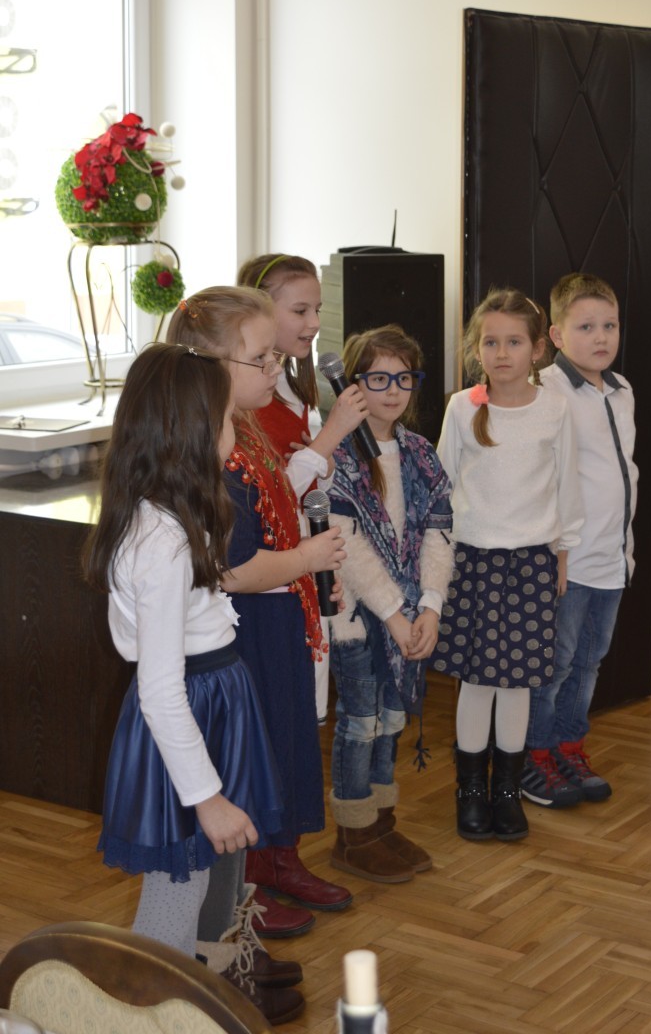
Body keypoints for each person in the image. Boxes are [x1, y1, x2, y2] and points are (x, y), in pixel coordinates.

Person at [83, 342, 299, 1024]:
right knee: (178, 885)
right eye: (228, 420)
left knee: (207, 872)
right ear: (192, 431)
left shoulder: (174, 515)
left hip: (213, 700)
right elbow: (159, 689)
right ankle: (145, 1007)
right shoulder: (162, 542)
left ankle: (199, 991)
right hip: (189, 711)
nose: (237, 431)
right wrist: (206, 798)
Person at [167, 286, 361, 942]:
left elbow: (277, 522)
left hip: (278, 617)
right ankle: (243, 887)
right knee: (252, 757)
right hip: (244, 628)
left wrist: (310, 574)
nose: (275, 366)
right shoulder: (217, 455)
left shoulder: (245, 428)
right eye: (260, 358)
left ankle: (278, 862)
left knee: (285, 743)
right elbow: (235, 569)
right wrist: (305, 559)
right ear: (211, 366)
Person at [430, 288, 583, 841]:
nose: (502, 353)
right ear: (477, 349)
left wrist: (563, 552)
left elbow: (567, 487)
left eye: (514, 342)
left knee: (518, 684)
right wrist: (435, 561)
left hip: (532, 563)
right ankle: (471, 789)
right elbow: (441, 486)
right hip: (473, 560)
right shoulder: (462, 407)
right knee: (477, 680)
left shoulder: (555, 409)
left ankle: (507, 789)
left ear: (537, 349)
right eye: (490, 342)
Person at [325, 325, 454, 882]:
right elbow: (347, 546)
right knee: (361, 720)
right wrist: (394, 614)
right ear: (353, 384)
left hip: (409, 615)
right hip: (360, 617)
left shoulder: (420, 454)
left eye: (404, 378)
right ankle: (352, 835)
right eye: (378, 378)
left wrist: (430, 606)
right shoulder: (339, 457)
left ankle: (381, 823)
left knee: (392, 718)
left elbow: (439, 533)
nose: (393, 390)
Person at [521, 273, 638, 808]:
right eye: (586, 327)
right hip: (568, 561)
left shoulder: (621, 390)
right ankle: (535, 756)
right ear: (557, 335)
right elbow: (540, 478)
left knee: (590, 661)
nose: (601, 337)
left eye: (609, 325)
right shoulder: (547, 392)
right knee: (555, 664)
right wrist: (551, 553)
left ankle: (570, 746)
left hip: (612, 557)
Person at [237, 252, 367, 725]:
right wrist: (330, 436)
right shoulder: (246, 401)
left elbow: (304, 485)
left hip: (304, 563)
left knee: (307, 710)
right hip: (268, 576)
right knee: (277, 712)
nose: (314, 323)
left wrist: (320, 460)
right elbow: (263, 498)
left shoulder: (292, 390)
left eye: (318, 310)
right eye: (299, 310)